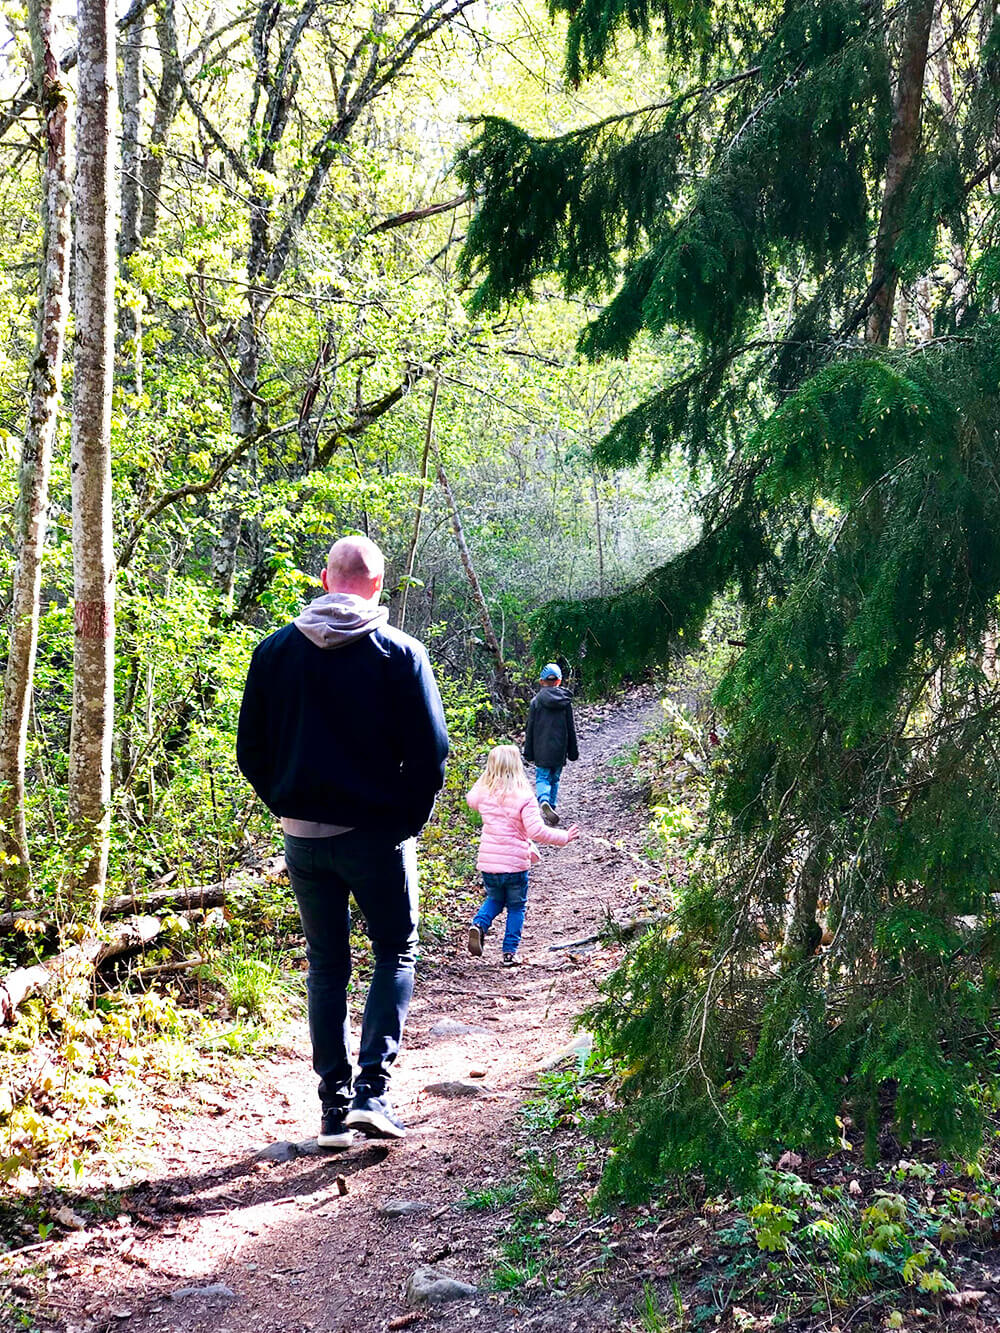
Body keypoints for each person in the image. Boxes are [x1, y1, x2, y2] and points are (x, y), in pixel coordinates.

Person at [237, 535, 448, 1147]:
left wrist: (286, 805)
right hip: (377, 837)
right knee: (396, 953)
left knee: (327, 965)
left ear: (325, 578)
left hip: (302, 839)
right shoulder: (400, 654)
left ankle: (332, 1111)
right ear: (378, 586)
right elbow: (431, 756)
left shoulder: (274, 652)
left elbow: (251, 750)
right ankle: (371, 1096)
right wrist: (406, 820)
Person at [466, 745, 579, 965]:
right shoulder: (524, 796)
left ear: (490, 767)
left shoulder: (484, 792)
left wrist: (487, 776)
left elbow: (471, 799)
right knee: (516, 906)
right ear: (517, 766)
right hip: (515, 864)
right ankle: (509, 953)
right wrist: (563, 837)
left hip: (489, 863)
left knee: (495, 899)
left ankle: (479, 925)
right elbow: (536, 831)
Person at [523, 662, 578, 826]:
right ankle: (551, 807)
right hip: (559, 749)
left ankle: (544, 800)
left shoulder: (536, 702)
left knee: (542, 777)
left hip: (541, 749)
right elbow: (571, 728)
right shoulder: (565, 702)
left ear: (541, 681)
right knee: (555, 778)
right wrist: (572, 751)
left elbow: (530, 728)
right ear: (559, 681)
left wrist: (528, 752)